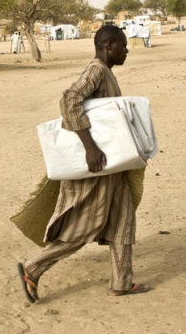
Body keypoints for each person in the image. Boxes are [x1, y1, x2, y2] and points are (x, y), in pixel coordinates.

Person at [17, 25, 149, 302]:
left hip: (113, 166)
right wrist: (90, 147)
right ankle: (33, 267)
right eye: (123, 46)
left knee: (123, 220)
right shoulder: (96, 70)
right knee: (85, 226)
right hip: (98, 166)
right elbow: (70, 100)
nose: (126, 51)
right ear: (108, 45)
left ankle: (122, 281)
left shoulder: (107, 73)